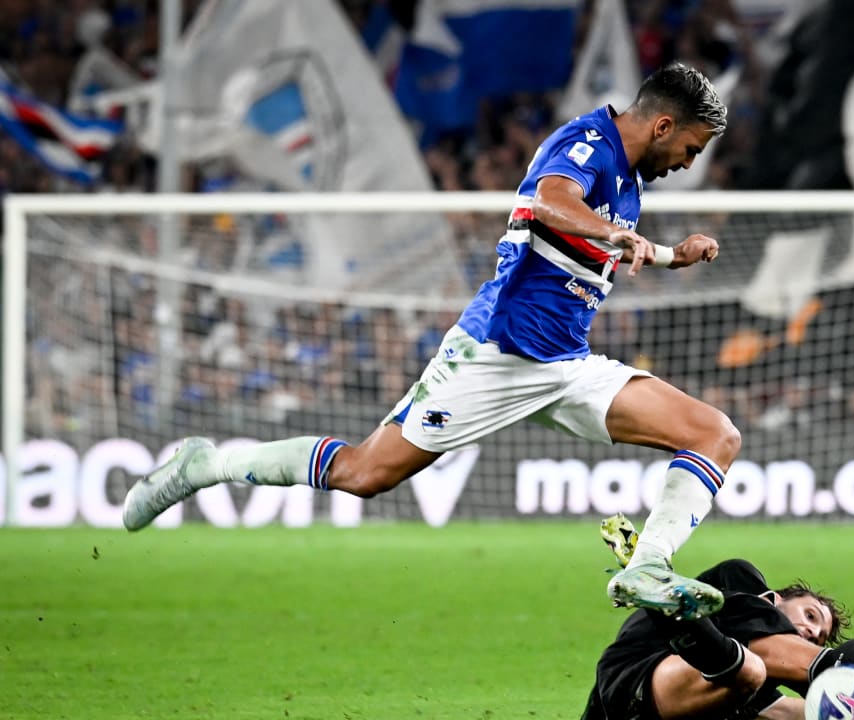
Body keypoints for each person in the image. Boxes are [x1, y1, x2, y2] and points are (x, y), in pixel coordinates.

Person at [122, 63, 733, 619]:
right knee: (365, 474)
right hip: (495, 351)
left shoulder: (629, 178)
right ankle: (206, 464)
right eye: (690, 147)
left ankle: (648, 566)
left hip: (563, 361)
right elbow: (545, 203)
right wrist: (617, 237)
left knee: (713, 434)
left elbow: (601, 245)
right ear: (661, 125)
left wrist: (668, 255)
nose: (687, 161)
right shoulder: (587, 144)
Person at [584, 515, 854, 720]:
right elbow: (759, 615)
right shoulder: (742, 585)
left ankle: (652, 578)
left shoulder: (757, 678)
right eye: (808, 614)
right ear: (775, 597)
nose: (807, 628)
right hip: (637, 678)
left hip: (674, 700)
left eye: (816, 633)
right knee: (750, 650)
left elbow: (808, 711)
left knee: (766, 682)